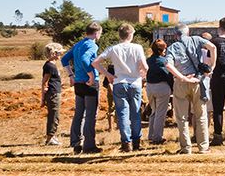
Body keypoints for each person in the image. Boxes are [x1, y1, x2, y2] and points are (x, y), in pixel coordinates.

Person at [94, 23, 149, 152]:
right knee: (135, 113)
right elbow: (145, 66)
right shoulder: (137, 47)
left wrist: (108, 75)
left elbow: (95, 62)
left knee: (122, 114)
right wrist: (143, 74)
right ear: (130, 34)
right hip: (135, 83)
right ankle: (137, 142)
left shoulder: (113, 48)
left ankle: (126, 142)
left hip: (119, 82)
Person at [164, 24, 217, 154]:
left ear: (176, 35)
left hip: (181, 83)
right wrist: (212, 67)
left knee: (182, 118)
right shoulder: (196, 40)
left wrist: (182, 77)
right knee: (201, 116)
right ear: (187, 32)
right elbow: (213, 47)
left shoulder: (172, 47)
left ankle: (186, 148)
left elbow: (168, 65)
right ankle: (203, 147)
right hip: (198, 81)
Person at [61, 22, 103, 154]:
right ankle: (89, 145)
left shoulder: (78, 44)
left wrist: (71, 75)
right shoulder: (92, 45)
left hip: (78, 83)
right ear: (96, 33)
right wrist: (91, 75)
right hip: (89, 84)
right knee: (90, 115)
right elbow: (85, 60)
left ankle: (75, 143)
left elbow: (64, 60)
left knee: (79, 114)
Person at [145, 39, 173, 146]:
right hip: (162, 87)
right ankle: (157, 137)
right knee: (161, 113)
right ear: (162, 49)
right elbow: (168, 76)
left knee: (154, 111)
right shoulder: (163, 61)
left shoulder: (148, 60)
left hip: (150, 87)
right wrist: (172, 88)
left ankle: (151, 135)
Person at [40, 43, 64, 145]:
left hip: (55, 92)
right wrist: (43, 97)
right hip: (53, 93)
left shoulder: (52, 65)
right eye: (59, 53)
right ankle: (50, 138)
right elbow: (44, 82)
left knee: (55, 115)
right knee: (54, 115)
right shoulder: (50, 66)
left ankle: (52, 136)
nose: (60, 55)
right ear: (54, 53)